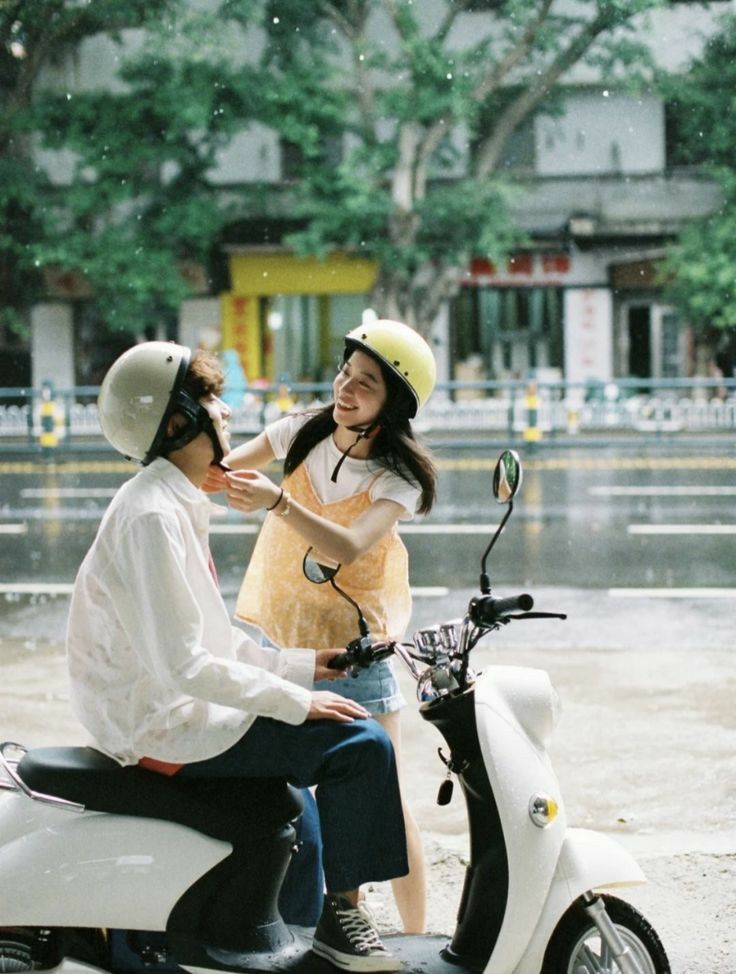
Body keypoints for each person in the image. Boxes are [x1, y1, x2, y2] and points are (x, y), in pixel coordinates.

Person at [66, 340, 408, 973]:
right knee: (362, 746)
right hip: (160, 723)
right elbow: (187, 668)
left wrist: (306, 665)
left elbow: (211, 645)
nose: (224, 411)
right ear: (177, 424)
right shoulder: (151, 517)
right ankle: (339, 923)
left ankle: (296, 940)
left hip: (170, 705)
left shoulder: (171, 501)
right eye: (209, 400)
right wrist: (297, 703)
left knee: (299, 814)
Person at [205, 319, 437, 934]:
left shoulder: (398, 479)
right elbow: (222, 467)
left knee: (378, 802)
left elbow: (351, 545)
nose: (346, 388)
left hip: (356, 657)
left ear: (392, 405)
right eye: (345, 373)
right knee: (291, 799)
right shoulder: (302, 433)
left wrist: (277, 502)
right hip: (286, 648)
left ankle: (418, 939)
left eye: (367, 384)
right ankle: (320, 929)